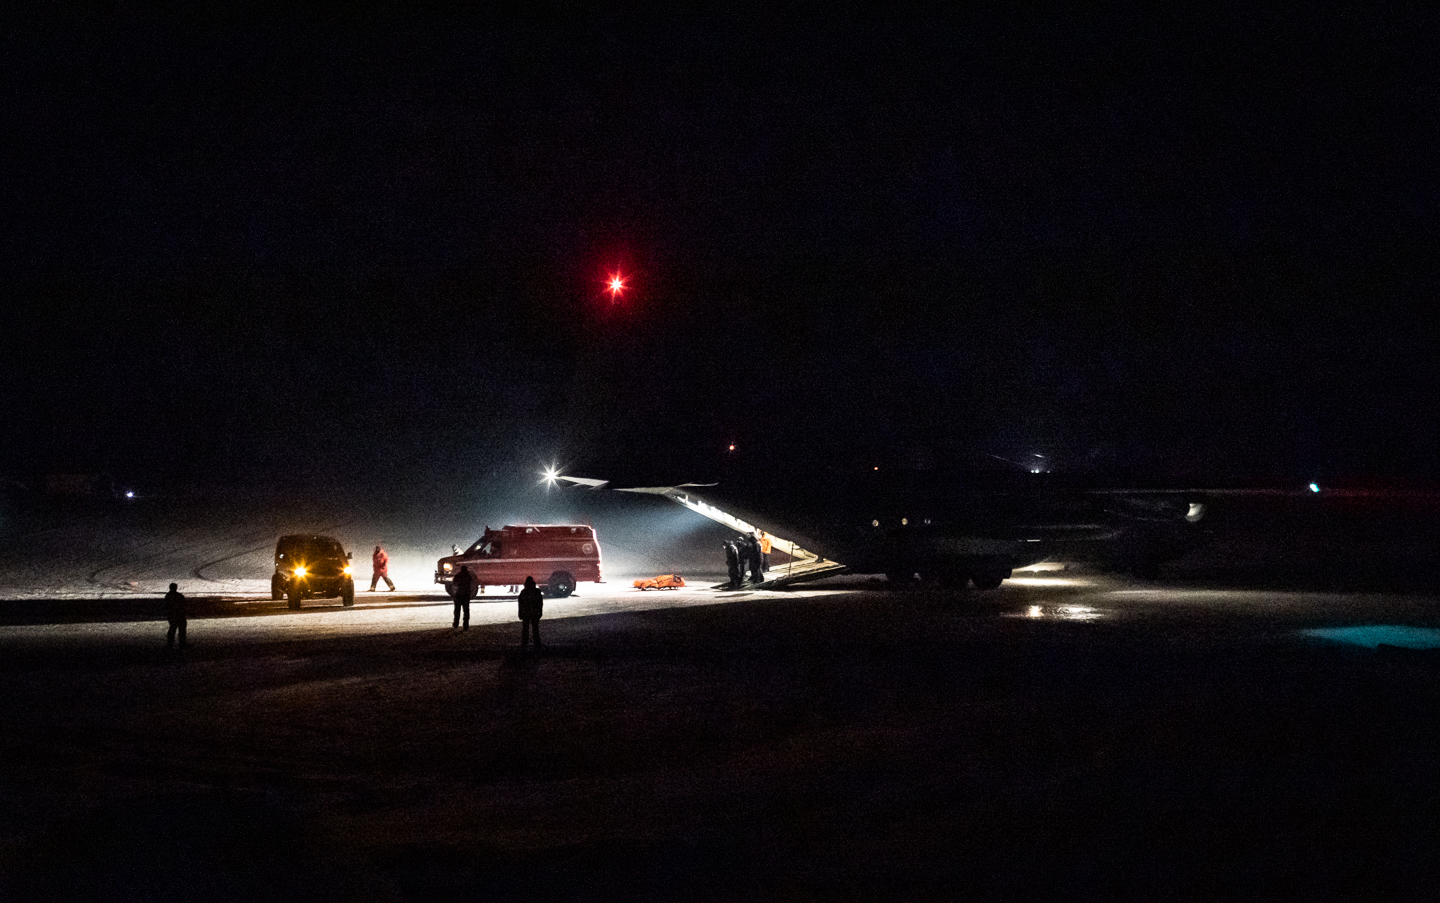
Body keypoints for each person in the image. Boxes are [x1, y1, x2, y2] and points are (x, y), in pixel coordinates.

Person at [517, 575, 544, 650]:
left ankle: (524, 643)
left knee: (525, 629)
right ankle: (537, 644)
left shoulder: (524, 592)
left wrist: (520, 613)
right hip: (535, 613)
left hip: (526, 613)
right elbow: (540, 603)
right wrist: (540, 612)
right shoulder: (537, 591)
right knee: (535, 629)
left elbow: (520, 604)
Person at [164, 582, 188, 648]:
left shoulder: (168, 596)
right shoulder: (179, 595)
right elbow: (184, 604)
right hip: (180, 615)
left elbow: (166, 606)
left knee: (172, 629)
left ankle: (170, 643)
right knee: (181, 629)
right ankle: (182, 642)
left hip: (173, 615)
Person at [452, 566, 475, 630]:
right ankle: (465, 625)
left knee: (457, 610)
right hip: (466, 595)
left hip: (458, 594)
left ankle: (456, 624)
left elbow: (454, 584)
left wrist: (454, 593)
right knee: (466, 610)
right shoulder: (469, 576)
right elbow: (472, 584)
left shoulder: (458, 575)